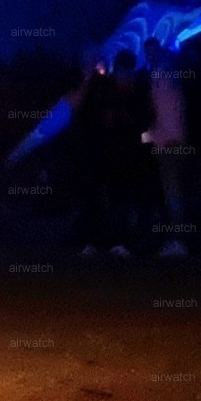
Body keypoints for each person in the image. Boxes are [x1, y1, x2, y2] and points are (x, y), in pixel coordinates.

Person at [76, 50, 153, 258]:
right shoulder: (102, 88)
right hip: (100, 151)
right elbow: (84, 115)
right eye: (122, 70)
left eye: (127, 70)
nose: (124, 74)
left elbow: (142, 122)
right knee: (95, 197)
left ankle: (118, 241)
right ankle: (91, 241)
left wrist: (140, 145)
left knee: (119, 197)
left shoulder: (135, 93)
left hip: (123, 154)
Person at [142, 38, 190, 258]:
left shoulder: (161, 77)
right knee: (174, 192)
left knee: (173, 193)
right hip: (173, 141)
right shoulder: (167, 74)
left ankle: (179, 241)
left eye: (151, 52)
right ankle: (177, 239)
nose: (149, 56)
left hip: (169, 144)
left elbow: (167, 117)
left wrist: (146, 137)